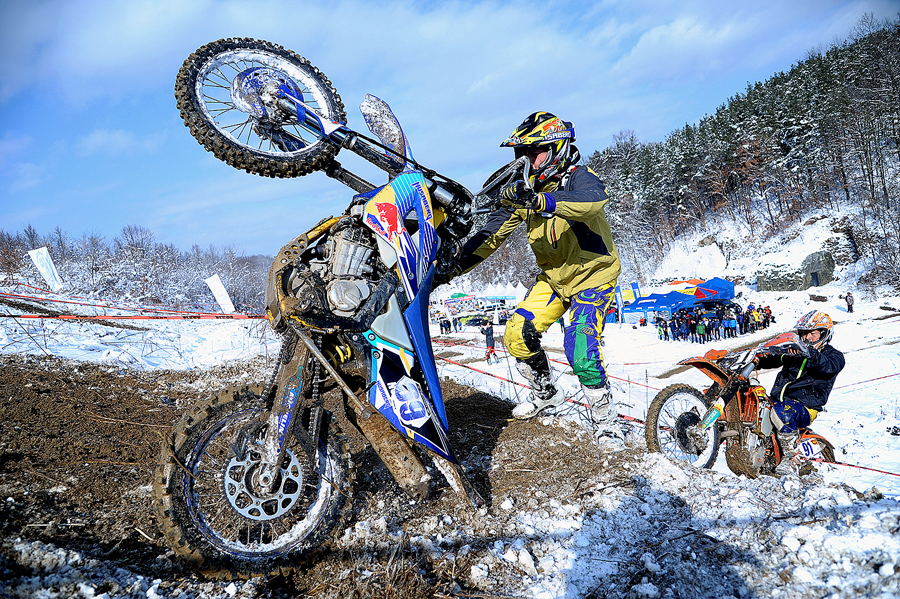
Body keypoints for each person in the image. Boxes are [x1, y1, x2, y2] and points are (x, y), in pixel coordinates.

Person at [449, 111, 625, 451]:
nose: (527, 160)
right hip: (555, 281)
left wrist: (542, 201)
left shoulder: (578, 177)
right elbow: (490, 235)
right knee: (516, 334)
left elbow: (592, 202)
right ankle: (546, 393)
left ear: (556, 147)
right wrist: (450, 268)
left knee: (580, 347)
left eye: (534, 152)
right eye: (522, 153)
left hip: (594, 278)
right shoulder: (527, 190)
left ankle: (606, 422)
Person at [756, 310, 845, 477]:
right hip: (777, 400)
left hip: (805, 408)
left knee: (783, 412)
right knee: (752, 401)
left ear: (824, 334)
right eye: (803, 333)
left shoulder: (834, 356)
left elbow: (828, 367)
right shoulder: (795, 353)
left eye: (813, 333)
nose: (807, 337)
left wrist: (809, 352)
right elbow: (772, 358)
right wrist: (754, 358)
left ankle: (792, 457)